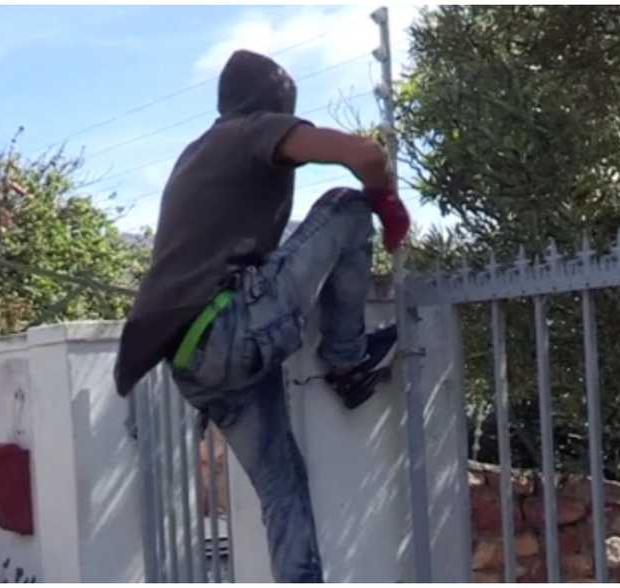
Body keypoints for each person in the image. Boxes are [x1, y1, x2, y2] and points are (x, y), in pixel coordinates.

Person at [113, 49, 410, 582]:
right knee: (345, 204)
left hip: (195, 365)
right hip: (228, 330)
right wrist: (386, 202)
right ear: (273, 102)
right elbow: (364, 155)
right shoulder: (252, 130)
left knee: (284, 489)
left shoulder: (196, 151)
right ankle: (346, 357)